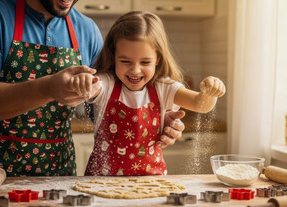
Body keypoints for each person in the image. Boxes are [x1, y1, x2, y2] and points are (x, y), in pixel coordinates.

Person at [0, 0, 185, 177]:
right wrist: (48, 88)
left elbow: (108, 108)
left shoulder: (86, 31)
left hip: (59, 178)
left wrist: (154, 120)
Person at [69, 11, 226, 176]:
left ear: (157, 58)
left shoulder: (164, 88)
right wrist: (84, 84)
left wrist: (210, 93)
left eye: (145, 62)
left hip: (151, 181)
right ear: (113, 56)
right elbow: (93, 87)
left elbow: (199, 105)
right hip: (101, 181)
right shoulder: (107, 84)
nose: (135, 70)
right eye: (125, 61)